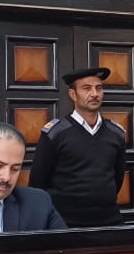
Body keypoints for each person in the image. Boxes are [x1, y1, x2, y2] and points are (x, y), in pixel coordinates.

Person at [29, 67, 127, 227]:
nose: (94, 94)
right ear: (73, 94)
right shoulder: (55, 133)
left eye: (99, 88)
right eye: (87, 88)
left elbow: (117, 178)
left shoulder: (116, 133)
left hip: (109, 222)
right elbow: (38, 182)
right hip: (65, 224)